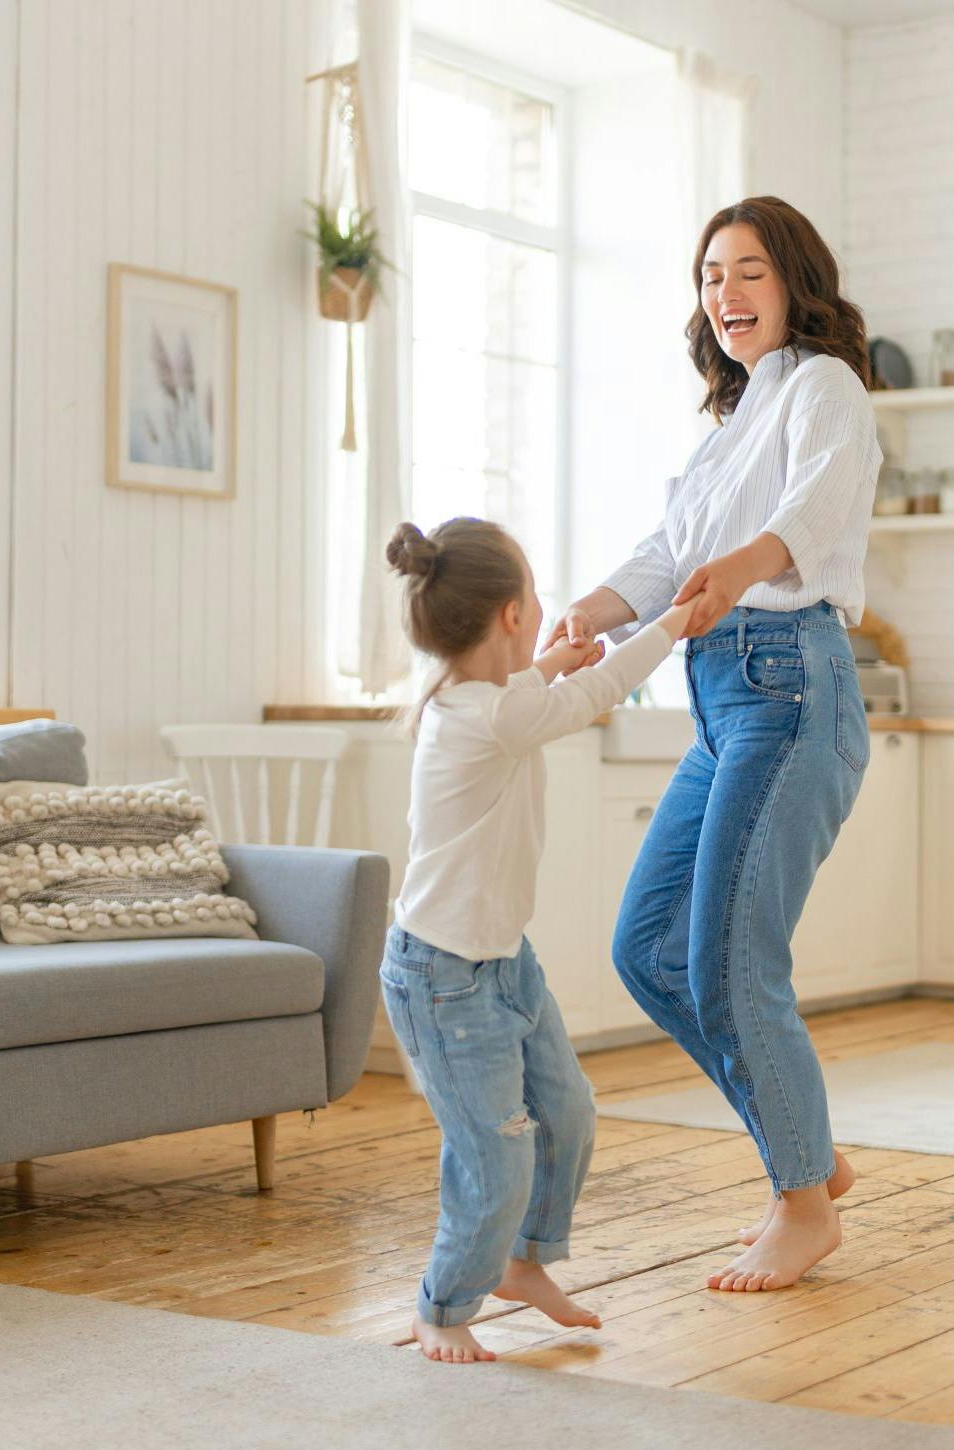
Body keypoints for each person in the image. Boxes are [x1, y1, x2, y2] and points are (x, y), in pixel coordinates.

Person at [545, 196, 880, 1292]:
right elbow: (668, 550)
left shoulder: (825, 386)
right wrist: (591, 610)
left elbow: (815, 512)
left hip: (790, 687)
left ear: (794, 282)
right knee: (649, 948)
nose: (724, 294)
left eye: (747, 272)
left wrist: (737, 570)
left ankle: (801, 1204)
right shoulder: (733, 423)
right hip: (720, 702)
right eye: (708, 276)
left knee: (734, 959)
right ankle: (808, 1150)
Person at [381, 516, 694, 1362]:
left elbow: (532, 694)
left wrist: (554, 661)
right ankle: (441, 1305)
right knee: (496, 1154)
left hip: (502, 962)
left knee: (567, 1115)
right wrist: (670, 623)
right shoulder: (481, 717)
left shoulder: (481, 703)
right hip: (441, 977)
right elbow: (591, 695)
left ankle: (523, 1264)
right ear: (513, 614)